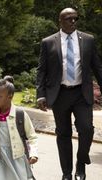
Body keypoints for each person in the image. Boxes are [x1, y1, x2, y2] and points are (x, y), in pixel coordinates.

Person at [36, 7, 102, 180]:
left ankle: (81, 164)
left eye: (75, 19)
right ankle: (66, 174)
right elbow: (41, 70)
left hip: (82, 93)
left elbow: (97, 67)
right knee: (63, 134)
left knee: (87, 129)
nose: (73, 21)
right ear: (60, 21)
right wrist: (40, 94)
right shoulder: (48, 42)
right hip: (60, 94)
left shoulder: (88, 40)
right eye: (68, 19)